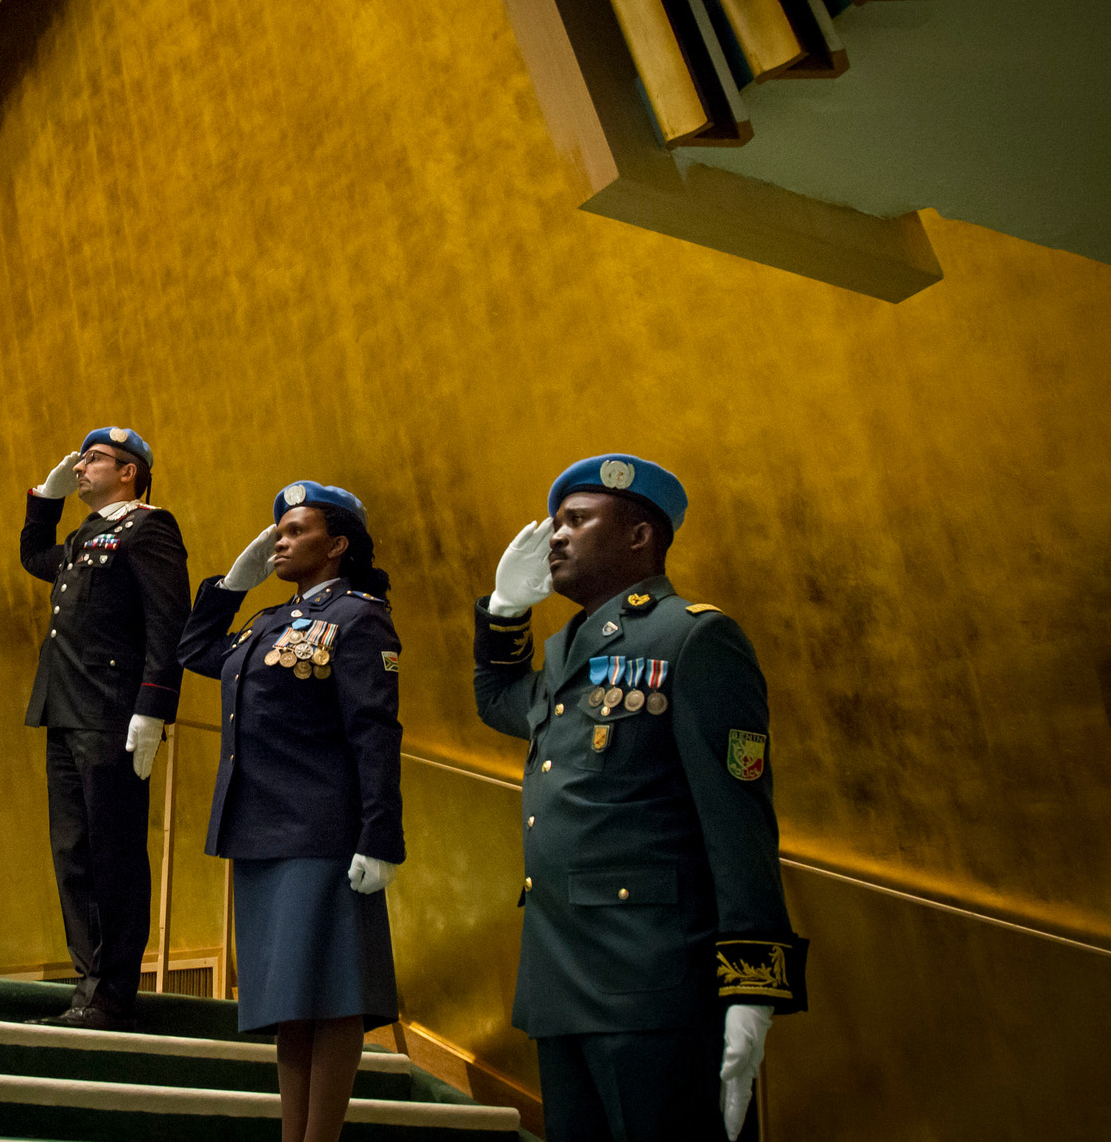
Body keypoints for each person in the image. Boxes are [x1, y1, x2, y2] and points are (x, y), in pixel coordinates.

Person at [472, 455, 808, 1142]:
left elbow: (738, 818)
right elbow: (501, 701)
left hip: (651, 982)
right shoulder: (569, 647)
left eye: (577, 519)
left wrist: (750, 984)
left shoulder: (693, 635)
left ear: (638, 537)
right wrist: (505, 612)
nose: (555, 536)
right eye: (556, 522)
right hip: (561, 979)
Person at [180, 481, 403, 1142]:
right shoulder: (267, 620)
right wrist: (229, 586)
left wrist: (380, 834)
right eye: (276, 529)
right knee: (291, 1005)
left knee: (332, 994)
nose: (278, 538)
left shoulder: (361, 617)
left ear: (337, 545)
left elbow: (374, 729)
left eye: (295, 529)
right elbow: (195, 653)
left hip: (322, 829)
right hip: (261, 831)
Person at [19, 427, 190, 1031]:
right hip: (64, 708)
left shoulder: (149, 527)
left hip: (111, 711)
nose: (82, 466)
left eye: (94, 459)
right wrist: (46, 496)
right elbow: (35, 558)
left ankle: (112, 994)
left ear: (130, 472)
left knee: (112, 852)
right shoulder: (83, 534)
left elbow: (170, 621)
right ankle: (86, 987)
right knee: (73, 854)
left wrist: (153, 707)